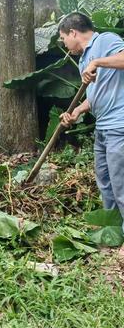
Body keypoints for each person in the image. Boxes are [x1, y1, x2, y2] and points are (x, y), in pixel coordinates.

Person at [59, 12, 124, 241]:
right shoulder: (84, 61)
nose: (65, 46)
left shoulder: (104, 41)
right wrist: (77, 110)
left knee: (121, 183)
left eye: (64, 39)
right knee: (105, 180)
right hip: (103, 128)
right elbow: (95, 94)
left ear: (73, 33)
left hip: (119, 125)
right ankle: (113, 231)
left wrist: (99, 61)